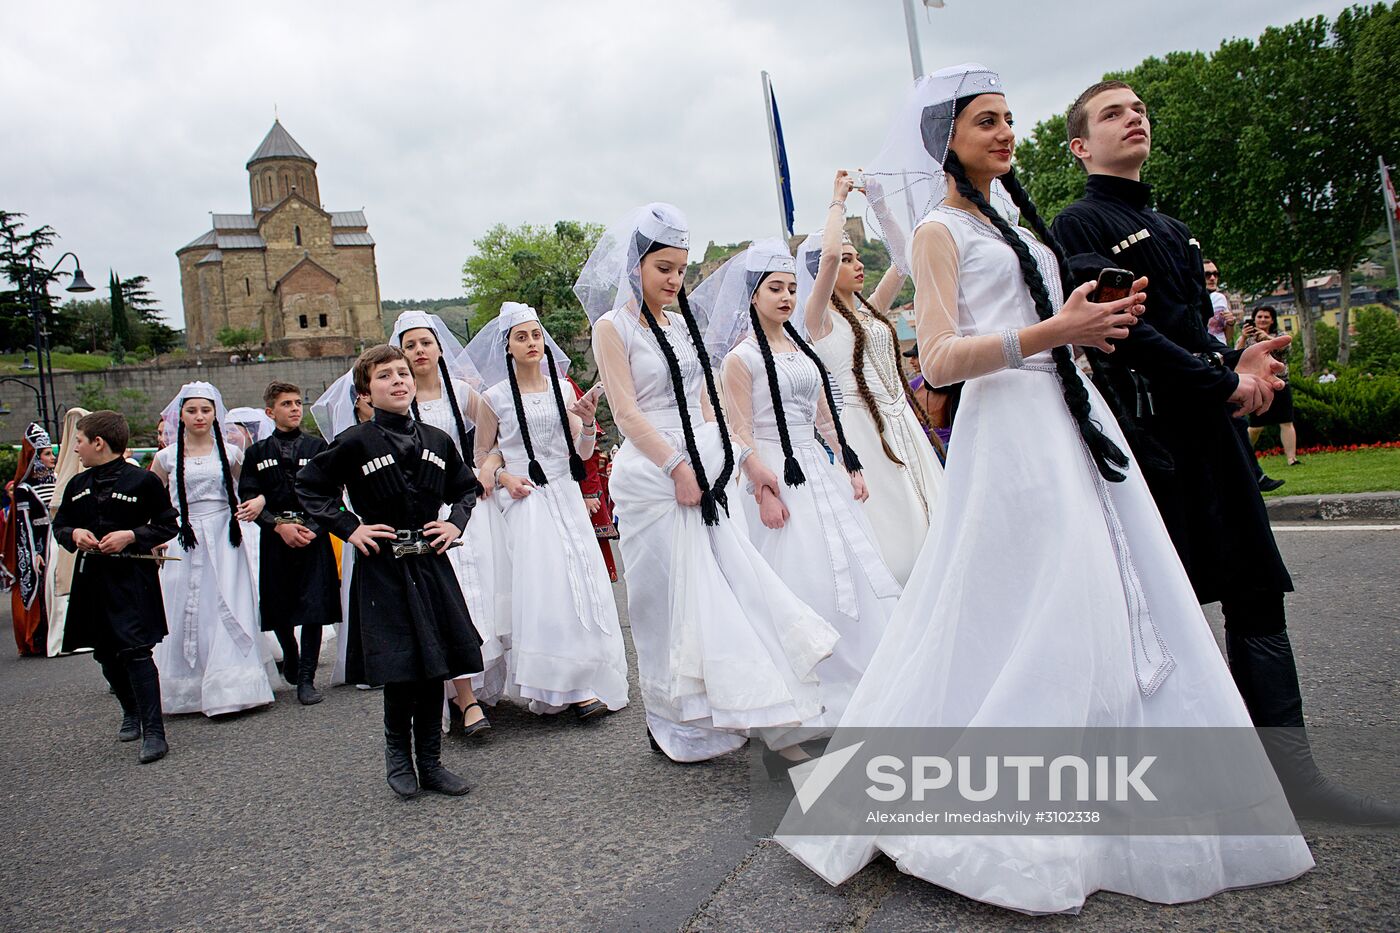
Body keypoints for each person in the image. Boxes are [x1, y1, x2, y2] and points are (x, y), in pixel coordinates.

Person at [780, 62, 1315, 913]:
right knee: (1040, 603)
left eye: (1007, 118)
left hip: (1072, 423)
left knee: (1113, 594)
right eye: (984, 121)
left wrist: (1085, 317)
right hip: (1012, 437)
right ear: (946, 141)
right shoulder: (937, 232)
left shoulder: (1019, 227)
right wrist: (1053, 329)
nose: (1003, 132)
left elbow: (1043, 326)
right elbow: (942, 358)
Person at [1052, 78, 1397, 824]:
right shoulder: (1077, 223)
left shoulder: (1172, 227)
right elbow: (1124, 332)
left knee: (1255, 591)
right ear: (1080, 146)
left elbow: (1187, 330)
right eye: (1113, 113)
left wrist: (1245, 368)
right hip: (1152, 444)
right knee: (1151, 609)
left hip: (1215, 438)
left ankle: (1295, 780)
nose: (1134, 117)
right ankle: (1142, 787)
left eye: (1140, 108)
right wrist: (1221, 379)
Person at [577, 202, 837, 763]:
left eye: (680, 269)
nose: (674, 280)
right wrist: (676, 466)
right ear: (636, 266)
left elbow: (705, 403)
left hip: (704, 461)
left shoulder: (678, 324)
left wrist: (740, 459)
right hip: (654, 474)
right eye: (663, 268)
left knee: (731, 588)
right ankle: (677, 720)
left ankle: (763, 713)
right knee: (668, 604)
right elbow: (624, 413)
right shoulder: (612, 327)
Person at [698, 238, 900, 730]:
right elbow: (737, 426)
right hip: (774, 468)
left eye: (791, 288)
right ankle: (808, 686)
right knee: (800, 570)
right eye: (775, 289)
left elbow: (823, 414)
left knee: (848, 565)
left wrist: (849, 461)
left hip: (814, 465)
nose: (786, 297)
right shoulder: (740, 360)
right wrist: (760, 484)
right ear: (753, 296)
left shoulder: (803, 348)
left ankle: (867, 672)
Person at [296, 344, 482, 798]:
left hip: (431, 566)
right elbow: (309, 486)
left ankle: (432, 764)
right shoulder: (355, 442)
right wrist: (348, 527)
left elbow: (466, 489)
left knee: (435, 666)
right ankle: (398, 759)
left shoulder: (438, 440)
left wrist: (454, 522)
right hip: (383, 569)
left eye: (403, 373)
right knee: (401, 670)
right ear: (366, 391)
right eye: (385, 376)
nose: (398, 381)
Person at [466, 301, 629, 719]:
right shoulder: (494, 398)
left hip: (565, 495)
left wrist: (589, 422)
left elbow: (584, 451)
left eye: (536, 335)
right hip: (527, 501)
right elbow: (484, 454)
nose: (532, 343)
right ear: (508, 347)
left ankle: (591, 676)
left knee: (584, 584)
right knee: (548, 590)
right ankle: (564, 686)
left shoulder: (562, 387)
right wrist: (503, 478)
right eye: (522, 337)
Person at [795, 173, 944, 585]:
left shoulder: (870, 309)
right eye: (847, 259)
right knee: (901, 543)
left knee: (939, 522)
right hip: (865, 430)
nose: (857, 265)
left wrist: (878, 204)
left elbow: (903, 260)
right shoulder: (819, 319)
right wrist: (837, 202)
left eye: (857, 257)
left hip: (903, 423)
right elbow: (825, 259)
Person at [389, 310, 510, 737]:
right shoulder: (400, 401)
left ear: (440, 348)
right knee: (450, 601)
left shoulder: (462, 393)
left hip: (471, 506)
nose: (419, 351)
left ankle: (489, 682)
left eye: (426, 343)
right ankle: (464, 697)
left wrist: (488, 466)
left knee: (491, 594)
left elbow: (498, 434)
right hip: (428, 514)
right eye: (410, 346)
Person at [52, 410, 180, 764]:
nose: (75, 448)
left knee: (137, 652)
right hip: (92, 579)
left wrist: (132, 536)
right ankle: (131, 710)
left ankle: (155, 731)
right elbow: (61, 526)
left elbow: (168, 524)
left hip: (131, 580)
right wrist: (74, 534)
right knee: (105, 654)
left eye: (79, 441)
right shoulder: (77, 486)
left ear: (98, 442)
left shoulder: (142, 482)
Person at [150, 382, 274, 716]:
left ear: (215, 414)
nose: (199, 416)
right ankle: (188, 688)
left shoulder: (232, 454)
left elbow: (254, 488)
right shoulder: (165, 458)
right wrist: (154, 535)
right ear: (182, 415)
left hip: (224, 536)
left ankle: (233, 685)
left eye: (205, 410)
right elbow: (152, 500)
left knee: (227, 603)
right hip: (185, 536)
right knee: (186, 606)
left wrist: (258, 502)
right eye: (192, 410)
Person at [237, 381, 341, 705]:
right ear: (270, 411)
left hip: (312, 535)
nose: (295, 408)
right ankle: (290, 653)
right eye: (287, 404)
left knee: (313, 608)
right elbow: (248, 498)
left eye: (297, 403)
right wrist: (277, 525)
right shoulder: (255, 454)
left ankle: (307, 679)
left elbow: (333, 495)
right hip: (276, 538)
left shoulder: (317, 448)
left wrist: (311, 526)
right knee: (278, 607)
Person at [2, 423, 56, 656]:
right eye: (46, 453)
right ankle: (40, 637)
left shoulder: (56, 480)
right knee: (41, 587)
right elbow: (24, 528)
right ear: (34, 457)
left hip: (58, 542)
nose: (52, 457)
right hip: (39, 544)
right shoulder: (24, 489)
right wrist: (33, 553)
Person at [1238, 307, 1300, 466]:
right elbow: (1236, 355)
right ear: (1254, 319)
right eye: (1259, 316)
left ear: (1272, 320)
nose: (1263, 319)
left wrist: (1267, 338)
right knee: (1256, 426)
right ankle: (1243, 454)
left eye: (1267, 317)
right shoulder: (1249, 338)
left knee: (1286, 422)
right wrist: (1243, 338)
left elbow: (1286, 349)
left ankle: (1292, 458)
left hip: (1280, 384)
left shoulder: (1279, 335)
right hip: (1259, 385)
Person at [1203, 258, 1238, 345]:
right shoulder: (1189, 300)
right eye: (1207, 274)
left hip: (1220, 350)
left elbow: (1227, 337)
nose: (1212, 278)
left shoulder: (1220, 298)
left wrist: (1230, 323)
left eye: (1216, 274)